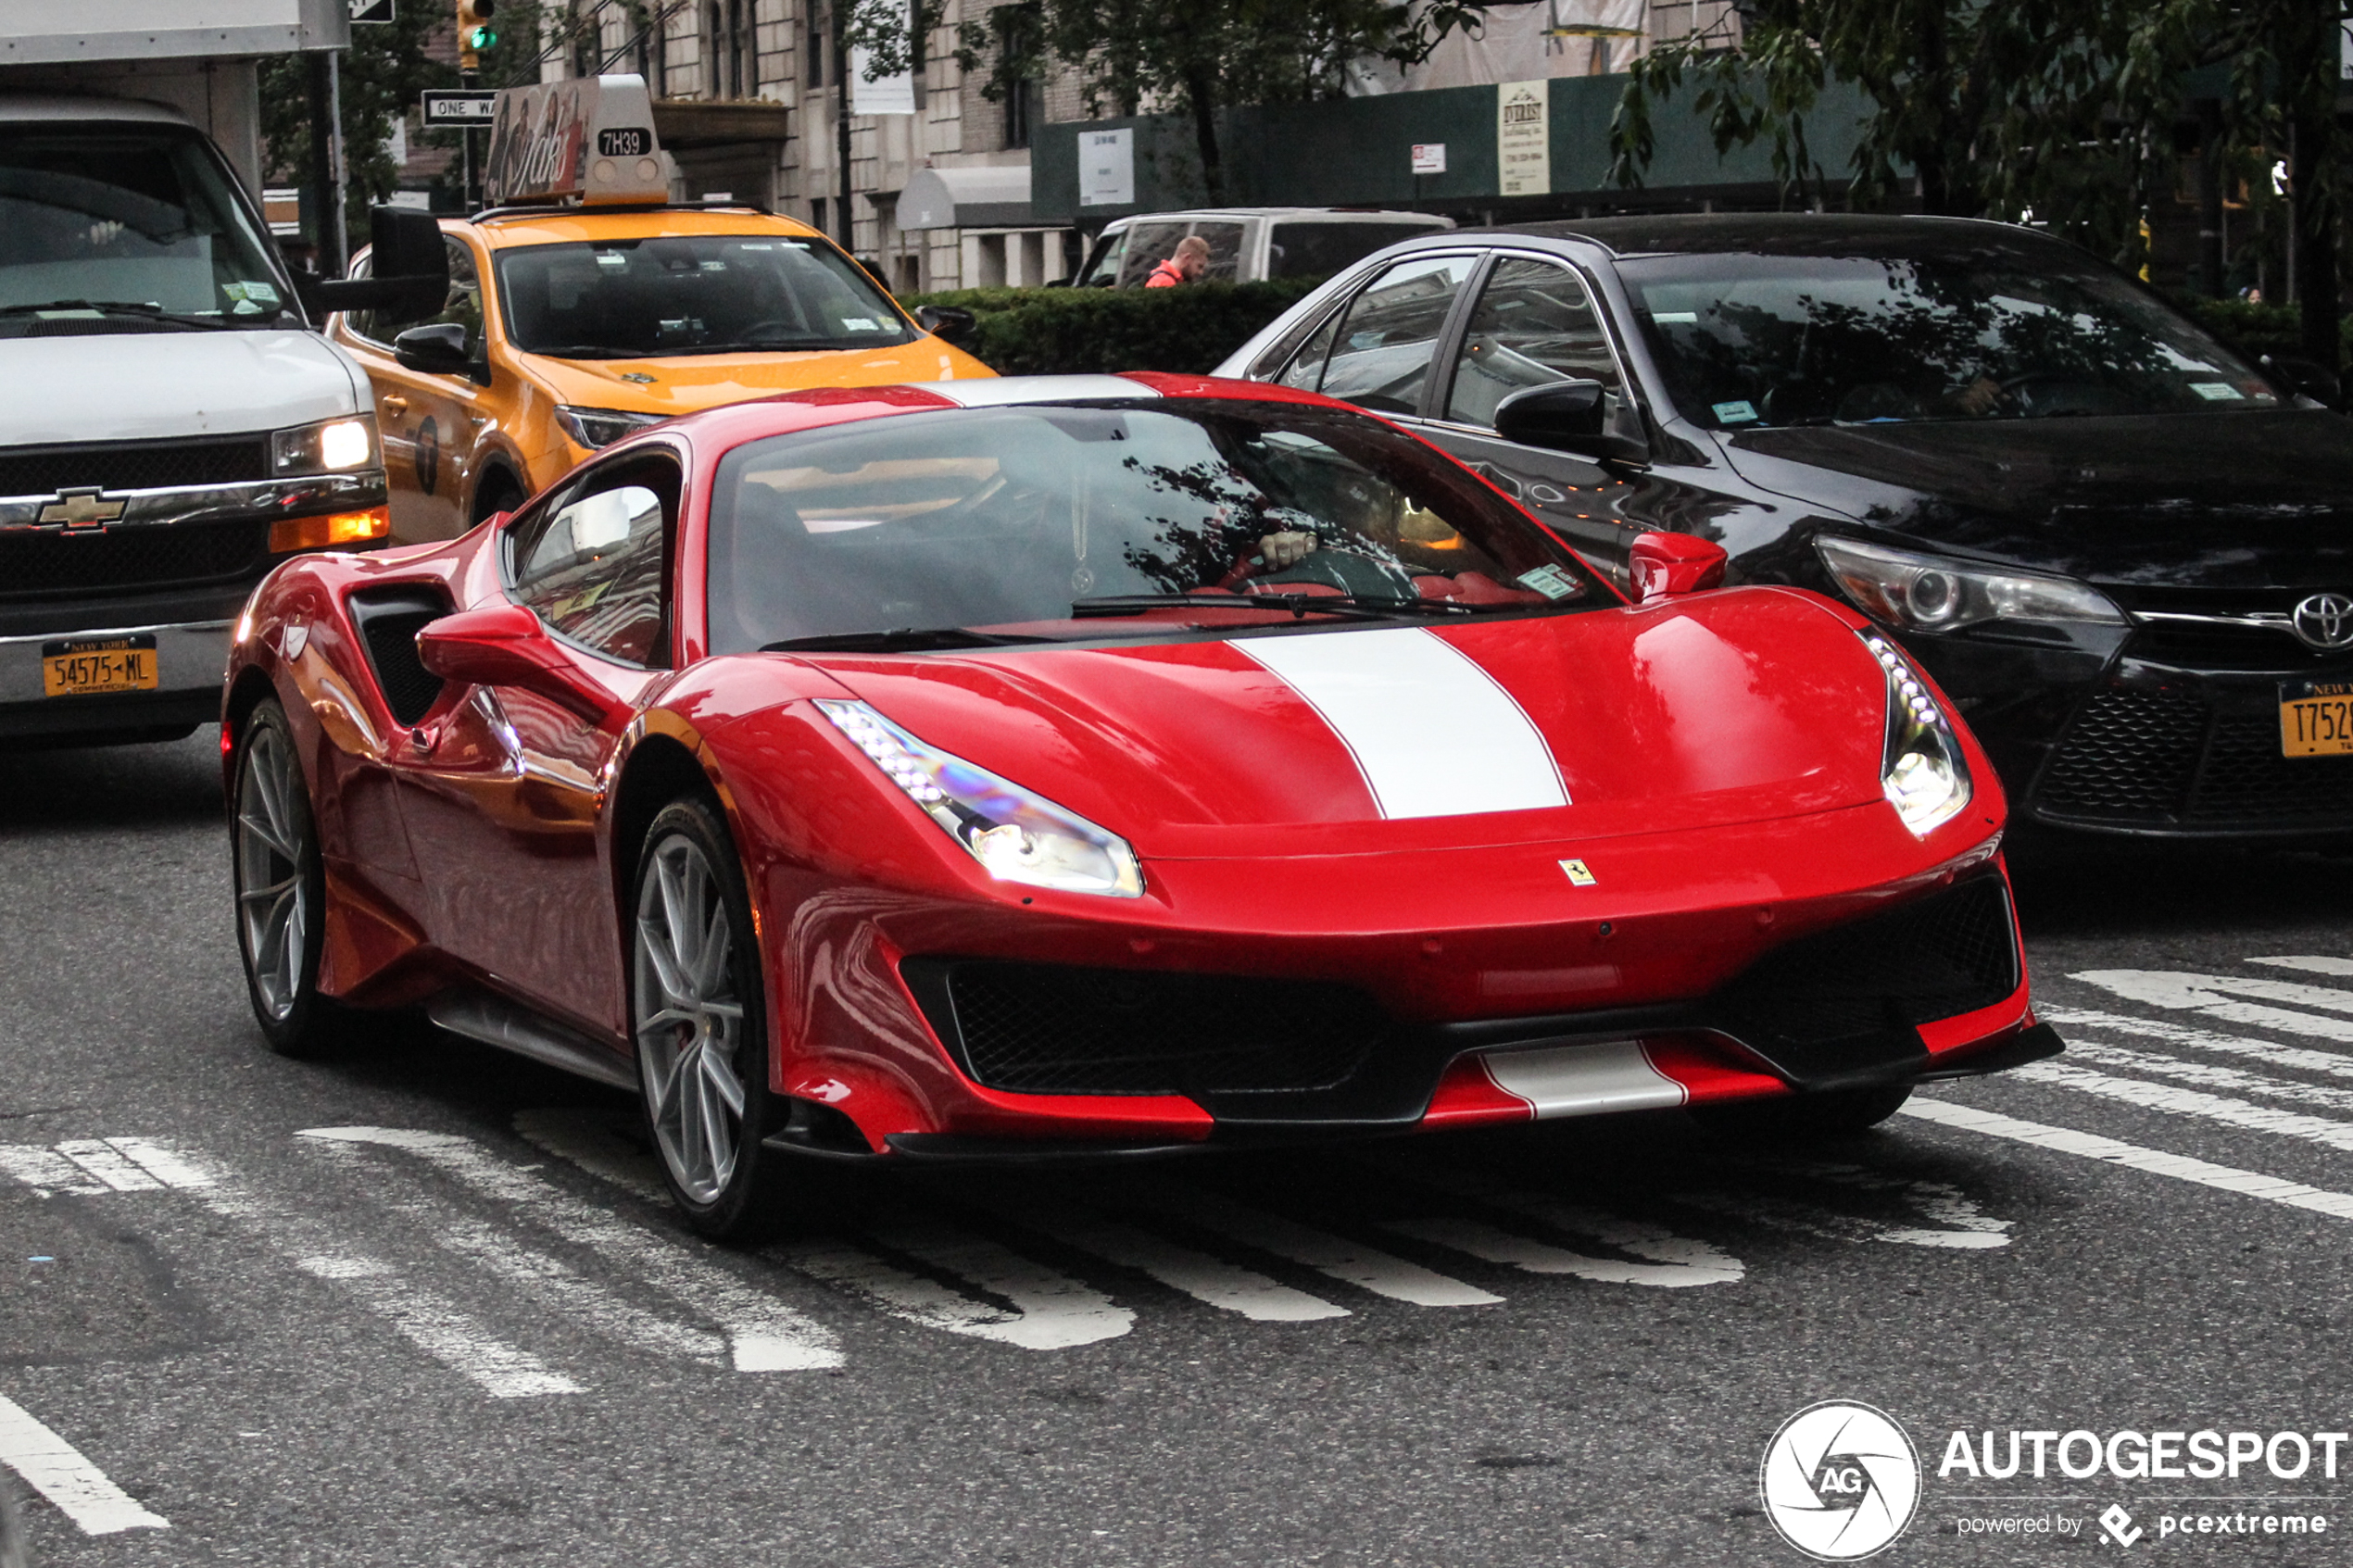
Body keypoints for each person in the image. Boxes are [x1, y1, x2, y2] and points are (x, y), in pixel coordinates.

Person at [1143, 234, 1210, 288]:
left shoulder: (1166, 279)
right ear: (1187, 258)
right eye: (1199, 266)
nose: (1200, 272)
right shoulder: (1165, 282)